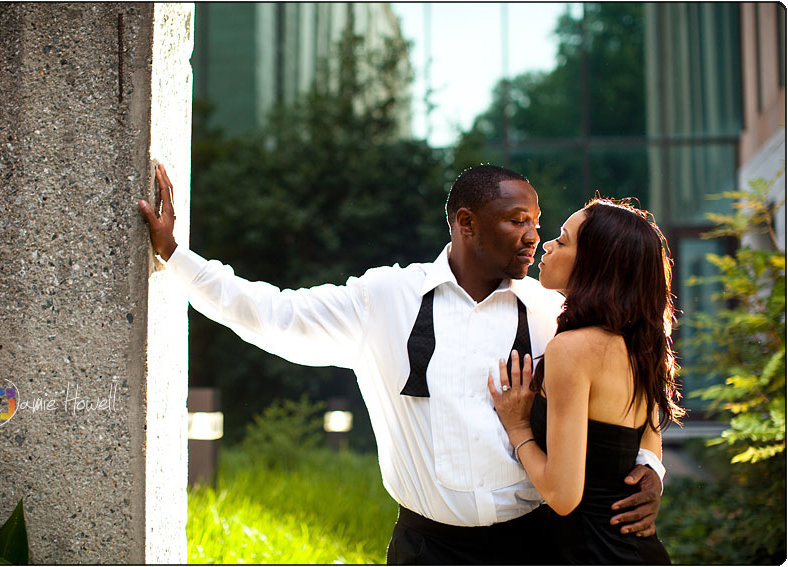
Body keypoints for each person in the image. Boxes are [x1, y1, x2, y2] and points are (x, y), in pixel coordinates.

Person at [139, 163, 665, 565]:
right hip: (426, 547)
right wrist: (177, 257)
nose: (533, 235)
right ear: (466, 223)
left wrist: (649, 464)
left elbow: (630, 373)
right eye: (516, 220)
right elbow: (275, 313)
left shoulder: (556, 310)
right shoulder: (386, 297)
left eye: (539, 223)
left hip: (538, 543)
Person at [488, 198, 684, 564]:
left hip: (595, 550)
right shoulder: (639, 344)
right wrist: (652, 471)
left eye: (562, 241)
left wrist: (517, 428)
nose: (546, 245)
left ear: (595, 263)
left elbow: (563, 496)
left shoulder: (573, 350)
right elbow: (645, 443)